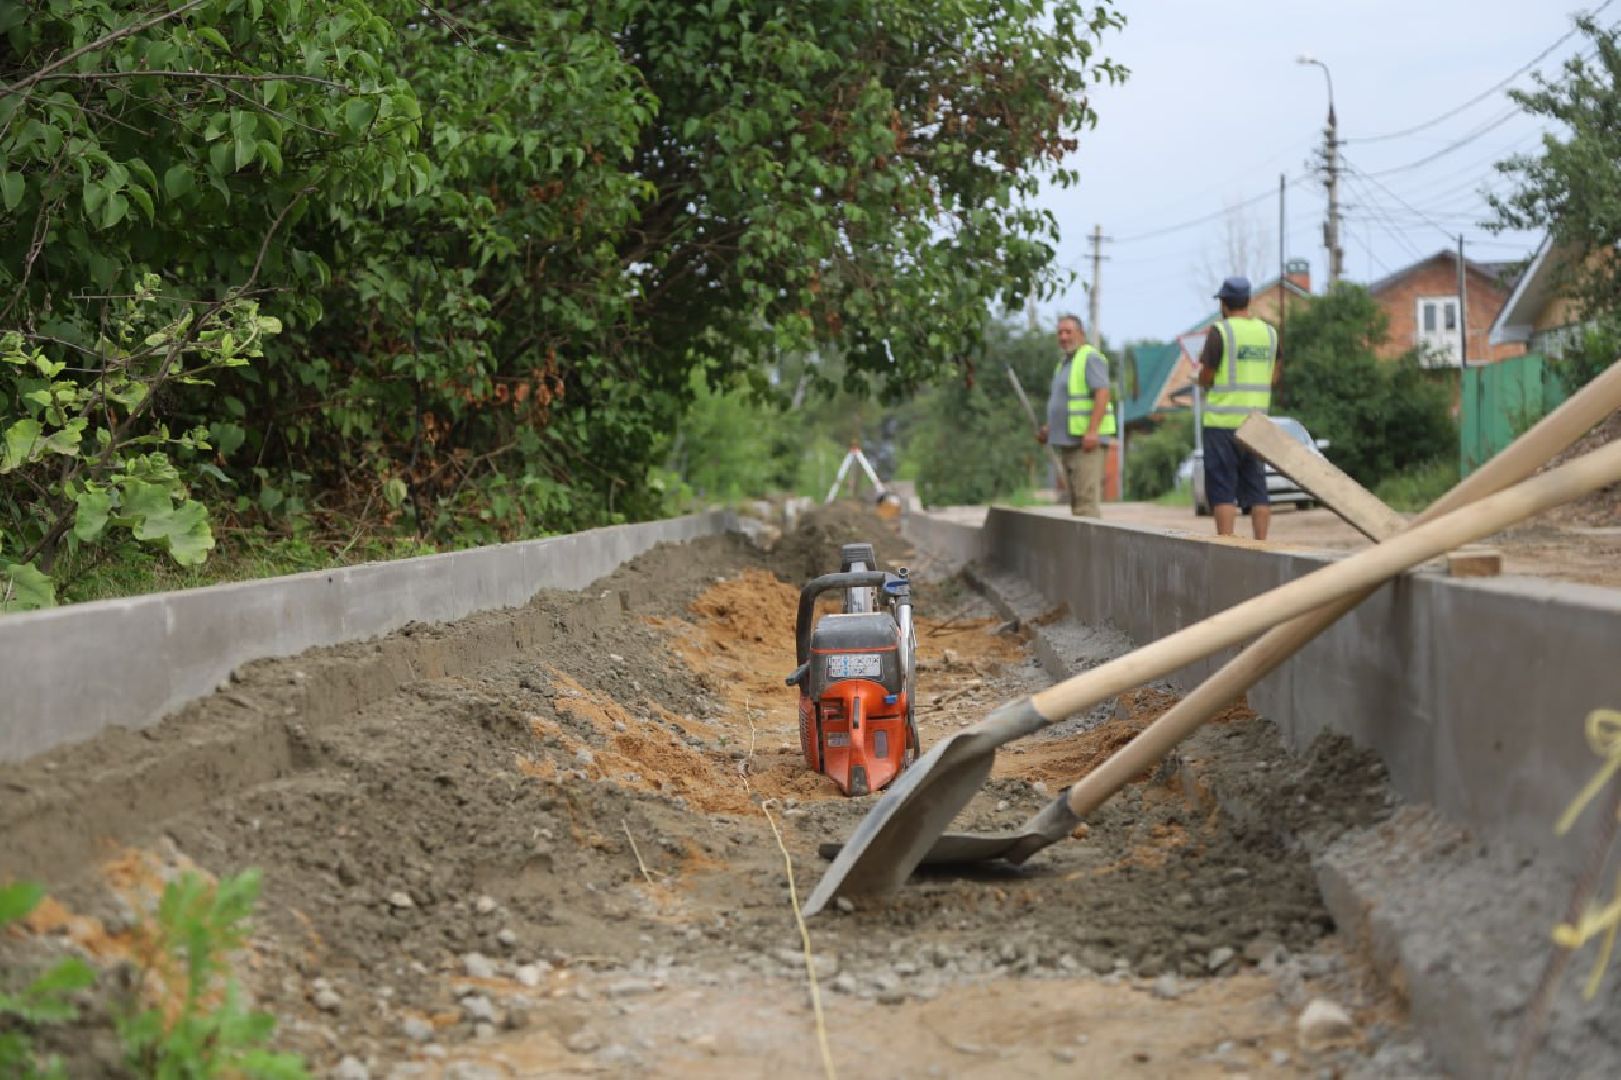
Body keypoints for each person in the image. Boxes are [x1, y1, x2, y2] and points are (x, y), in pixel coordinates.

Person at [1197, 276, 1281, 539]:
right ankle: (1262, 544)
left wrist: (1201, 381)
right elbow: (1275, 372)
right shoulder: (1269, 332)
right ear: (1248, 301)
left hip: (1222, 423)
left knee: (1222, 490)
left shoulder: (1221, 332)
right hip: (1255, 422)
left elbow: (1207, 375)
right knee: (1257, 488)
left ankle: (1226, 543)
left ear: (1223, 303)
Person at [1038, 314, 1114, 518]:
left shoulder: (1090, 357)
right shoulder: (1064, 364)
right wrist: (1049, 428)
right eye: (1060, 333)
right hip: (1068, 443)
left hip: (1086, 444)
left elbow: (1103, 393)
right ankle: (1083, 548)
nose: (1063, 337)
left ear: (1081, 334)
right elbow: (1065, 403)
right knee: (1077, 503)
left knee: (1085, 505)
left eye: (1068, 332)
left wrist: (1092, 431)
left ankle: (1092, 549)